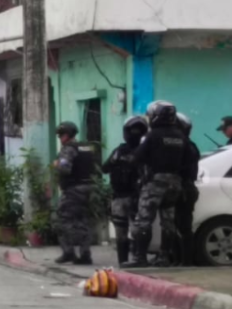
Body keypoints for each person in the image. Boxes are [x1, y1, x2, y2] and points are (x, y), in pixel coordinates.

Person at [129, 100, 192, 268]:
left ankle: (140, 258)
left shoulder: (153, 135)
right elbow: (190, 158)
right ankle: (164, 257)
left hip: (155, 183)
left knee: (144, 220)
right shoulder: (180, 136)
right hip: (175, 183)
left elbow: (137, 157)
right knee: (168, 221)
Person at [103, 116, 148, 268]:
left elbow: (104, 168)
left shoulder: (120, 151)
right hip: (134, 197)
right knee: (134, 230)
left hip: (125, 197)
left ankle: (125, 262)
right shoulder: (143, 151)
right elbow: (105, 168)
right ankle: (133, 260)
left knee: (123, 231)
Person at [52, 122, 98, 265]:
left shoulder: (69, 149)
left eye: (61, 135)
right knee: (83, 220)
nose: (60, 138)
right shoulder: (86, 147)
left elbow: (65, 168)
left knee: (61, 219)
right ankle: (85, 254)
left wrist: (56, 164)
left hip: (73, 189)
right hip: (88, 188)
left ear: (67, 135)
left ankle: (68, 252)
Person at [175, 113, 201, 267]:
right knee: (181, 225)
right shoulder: (190, 145)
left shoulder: (183, 146)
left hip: (184, 188)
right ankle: (180, 259)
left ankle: (186, 261)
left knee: (183, 226)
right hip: (187, 187)